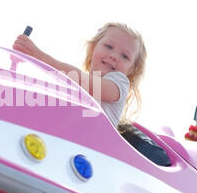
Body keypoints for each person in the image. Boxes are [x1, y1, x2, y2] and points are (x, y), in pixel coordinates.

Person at [13, 22, 147, 128]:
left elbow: (83, 81)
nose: (114, 56)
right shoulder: (77, 84)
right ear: (93, 48)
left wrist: (39, 55)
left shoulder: (119, 83)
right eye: (109, 47)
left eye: (125, 56)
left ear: (131, 69)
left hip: (96, 150)